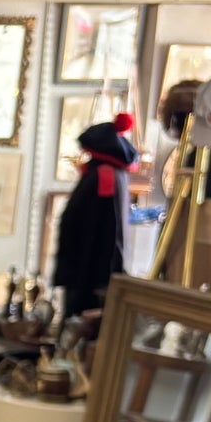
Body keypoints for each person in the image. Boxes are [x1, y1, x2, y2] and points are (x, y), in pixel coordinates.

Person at [52, 112, 137, 319]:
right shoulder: (108, 174)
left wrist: (100, 277)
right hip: (86, 267)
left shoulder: (104, 175)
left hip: (88, 271)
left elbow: (107, 228)